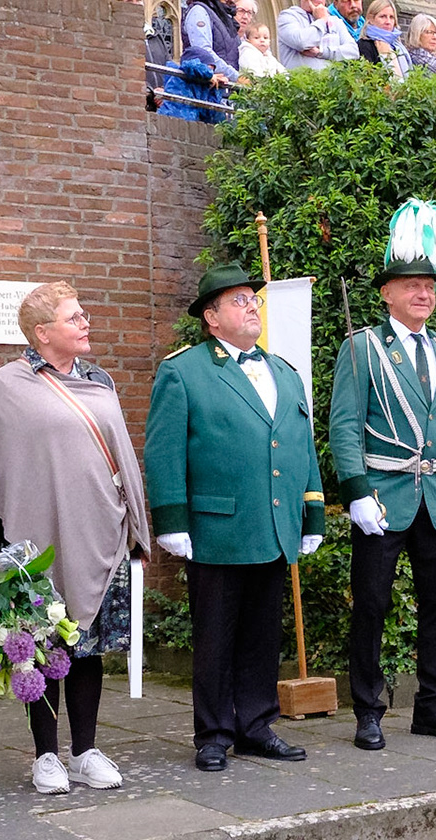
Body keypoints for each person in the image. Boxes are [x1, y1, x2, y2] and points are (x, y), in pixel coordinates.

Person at [0, 283, 151, 795]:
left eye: (84, 315)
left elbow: (119, 454)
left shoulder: (99, 379)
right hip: (35, 541)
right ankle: (46, 755)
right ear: (42, 333)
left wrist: (134, 527)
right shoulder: (6, 386)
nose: (86, 323)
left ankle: (85, 751)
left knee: (88, 647)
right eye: (74, 317)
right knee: (39, 649)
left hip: (101, 534)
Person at [145, 264, 326, 772]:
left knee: (261, 635)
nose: (252, 307)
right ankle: (213, 733)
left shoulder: (285, 372)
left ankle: (255, 726)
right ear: (212, 317)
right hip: (217, 527)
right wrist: (171, 519)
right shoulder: (184, 371)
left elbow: (301, 447)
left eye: (254, 300)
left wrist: (312, 513)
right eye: (240, 300)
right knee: (216, 637)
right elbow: (163, 451)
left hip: (274, 524)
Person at [330, 199, 436, 751]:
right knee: (371, 607)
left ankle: (431, 706)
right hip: (384, 496)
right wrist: (355, 493)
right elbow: (344, 426)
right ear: (387, 294)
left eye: (429, 285)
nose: (424, 293)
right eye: (411, 285)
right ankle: (368, 710)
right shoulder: (362, 347)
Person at [275, 0, 357, 69]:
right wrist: (322, 20)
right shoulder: (287, 17)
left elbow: (353, 52)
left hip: (332, 82)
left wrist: (321, 52)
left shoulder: (335, 20)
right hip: (301, 82)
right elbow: (302, 42)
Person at [181, 0, 241, 79]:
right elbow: (203, 53)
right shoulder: (199, 11)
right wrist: (236, 77)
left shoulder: (224, 16)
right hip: (205, 83)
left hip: (227, 84)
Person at [354, 0, 408, 78]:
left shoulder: (398, 46)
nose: (388, 22)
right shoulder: (364, 45)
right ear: (371, 19)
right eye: (383, 16)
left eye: (391, 17)